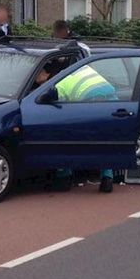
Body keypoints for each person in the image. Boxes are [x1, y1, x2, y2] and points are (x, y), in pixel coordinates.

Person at [52, 63, 120, 193]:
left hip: (90, 101)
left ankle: (64, 177)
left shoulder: (59, 84)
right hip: (112, 98)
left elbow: (57, 109)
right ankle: (107, 178)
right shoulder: (84, 68)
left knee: (62, 137)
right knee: (103, 141)